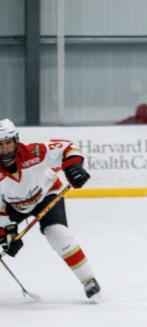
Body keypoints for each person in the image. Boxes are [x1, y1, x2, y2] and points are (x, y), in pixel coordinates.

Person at [0, 119, 101, 301]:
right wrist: (7, 232)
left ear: (16, 141)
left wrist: (73, 166)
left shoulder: (34, 152)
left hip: (46, 194)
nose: (5, 149)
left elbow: (67, 148)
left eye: (8, 143)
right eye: (0, 145)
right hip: (13, 207)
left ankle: (89, 281)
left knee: (57, 233)